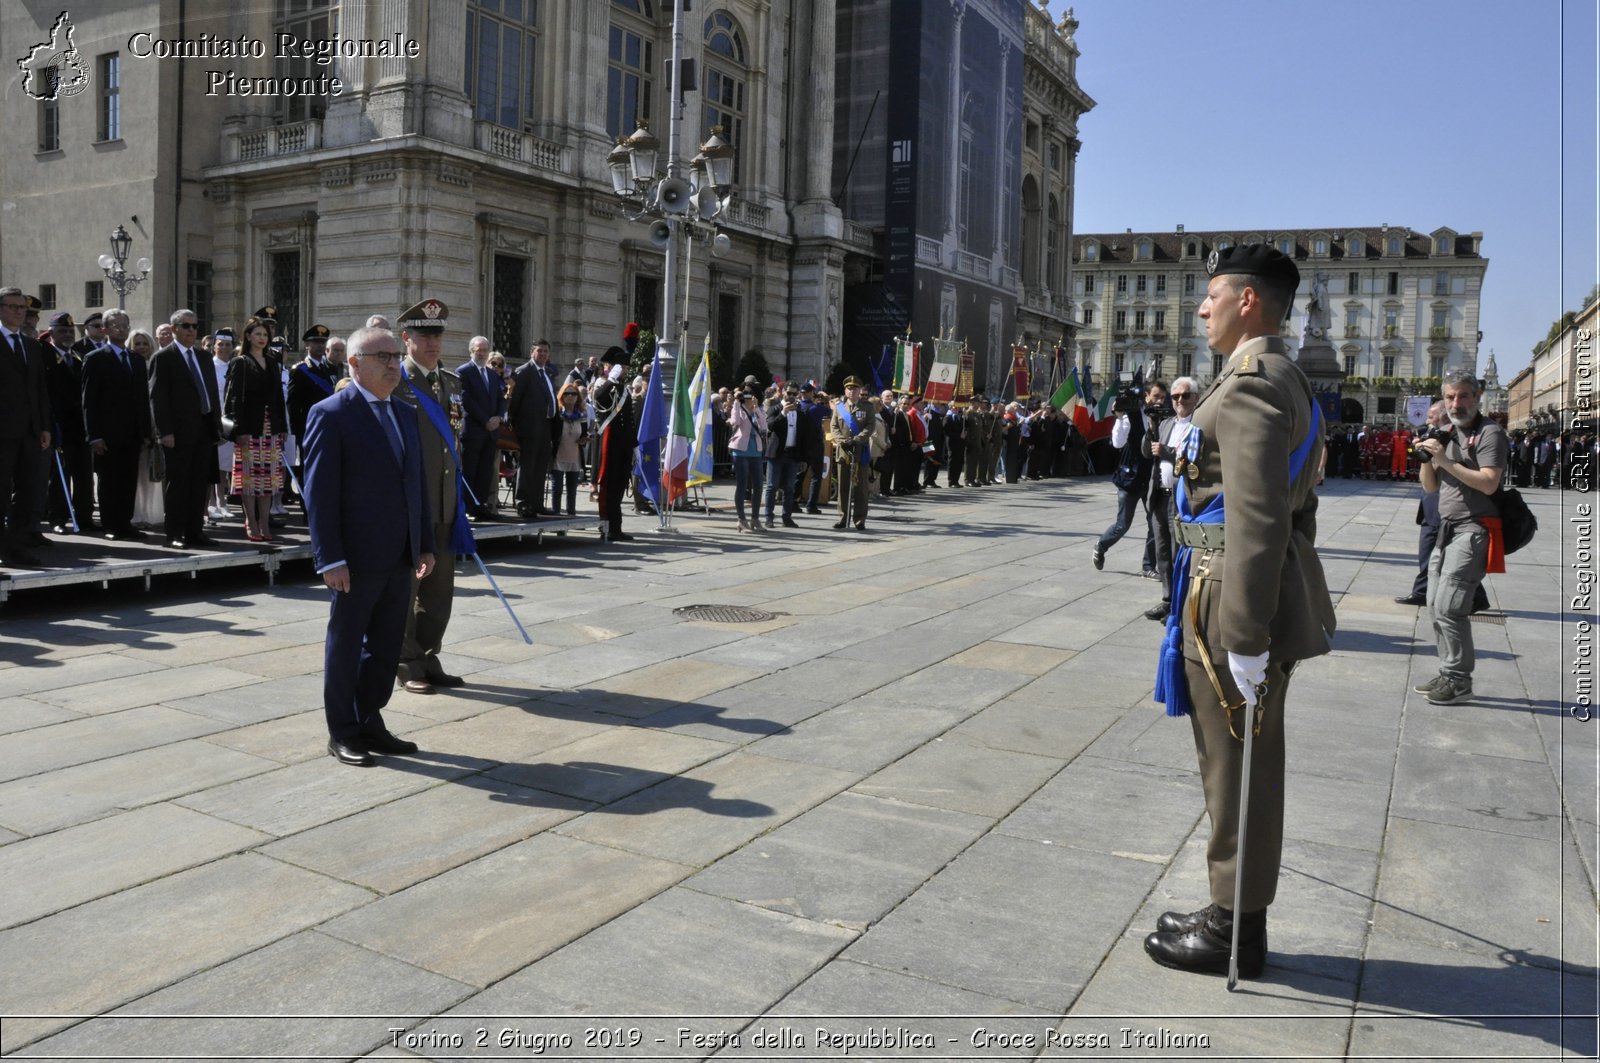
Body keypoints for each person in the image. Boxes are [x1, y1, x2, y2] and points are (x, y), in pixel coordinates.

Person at [1146, 243, 1335, 979]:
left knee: (1237, 767)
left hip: (1229, 595)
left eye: (1212, 293)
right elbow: (1298, 511)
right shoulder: (1271, 377)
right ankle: (1229, 908)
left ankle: (1235, 928)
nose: (1202, 305)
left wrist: (1247, 632)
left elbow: (1258, 518)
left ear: (1248, 300)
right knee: (1229, 763)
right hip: (1228, 581)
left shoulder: (1256, 383)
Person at [304, 326, 434, 767]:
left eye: (396, 356)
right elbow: (319, 494)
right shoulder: (331, 413)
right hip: (354, 559)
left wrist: (425, 544)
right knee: (345, 646)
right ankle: (342, 730)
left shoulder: (404, 411)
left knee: (383, 646)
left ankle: (370, 719)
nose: (394, 364)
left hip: (400, 555)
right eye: (382, 357)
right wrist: (330, 557)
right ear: (354, 363)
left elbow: (415, 484)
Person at [1413, 370, 1506, 705]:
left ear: (1477, 397)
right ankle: (1447, 670)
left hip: (1474, 529)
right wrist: (1426, 457)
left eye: (1463, 396)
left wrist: (1444, 460)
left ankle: (1458, 679)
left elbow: (1488, 483)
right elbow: (1430, 486)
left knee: (1451, 607)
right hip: (1447, 529)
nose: (1456, 403)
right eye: (1451, 397)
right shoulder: (1447, 431)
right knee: (1434, 604)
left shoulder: (1489, 433)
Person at [393, 298, 467, 695]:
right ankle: (405, 661)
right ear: (406, 338)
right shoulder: (397, 382)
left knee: (440, 589)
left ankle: (427, 653)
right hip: (411, 504)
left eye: (437, 336)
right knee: (407, 588)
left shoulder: (451, 383)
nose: (432, 343)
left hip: (445, 501)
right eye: (424, 336)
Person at [1396, 401, 1489, 613]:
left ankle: (1425, 592)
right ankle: (1475, 595)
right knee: (1433, 552)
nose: (1427, 420)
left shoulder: (1449, 440)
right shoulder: (1433, 438)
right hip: (1431, 505)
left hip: (1443, 506)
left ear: (1444, 418)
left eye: (1431, 417)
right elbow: (1426, 476)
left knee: (1434, 551)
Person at [149, 308, 223, 549]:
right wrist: (165, 432)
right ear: (174, 329)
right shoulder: (163, 357)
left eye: (194, 326)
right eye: (186, 326)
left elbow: (211, 393)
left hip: (203, 429)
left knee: (199, 482)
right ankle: (174, 534)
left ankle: (195, 531)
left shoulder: (202, 356)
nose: (191, 330)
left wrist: (217, 427)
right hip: (178, 432)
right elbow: (158, 398)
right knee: (178, 483)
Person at [222, 317, 287, 542]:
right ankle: (250, 520)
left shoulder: (272, 360)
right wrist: (238, 429)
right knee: (250, 478)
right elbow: (233, 399)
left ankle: (265, 522)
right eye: (258, 334)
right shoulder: (240, 362)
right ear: (248, 336)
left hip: (270, 426)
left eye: (265, 335)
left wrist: (283, 426)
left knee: (269, 479)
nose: (262, 338)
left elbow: (278, 397)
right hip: (249, 427)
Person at [0, 287, 52, 565]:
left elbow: (39, 389)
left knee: (28, 490)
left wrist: (44, 425)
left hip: (30, 432)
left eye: (22, 308)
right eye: (13, 306)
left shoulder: (31, 345)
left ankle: (16, 546)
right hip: (3, 432)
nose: (19, 312)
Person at [1092, 381, 1162, 571]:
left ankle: (1148, 567)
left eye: (1163, 397)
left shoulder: (1165, 416)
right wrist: (1120, 417)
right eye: (1156, 397)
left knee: (1154, 524)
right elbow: (1117, 443)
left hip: (1152, 478)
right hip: (1130, 478)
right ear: (1146, 396)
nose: (1159, 401)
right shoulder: (1132, 415)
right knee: (1122, 525)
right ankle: (1101, 545)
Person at [1144, 376, 1197, 620]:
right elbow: (1146, 452)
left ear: (1195, 398)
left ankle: (1180, 604)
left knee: (1180, 553)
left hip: (1182, 499)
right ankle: (1167, 600)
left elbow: (1195, 462)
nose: (1179, 401)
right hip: (1160, 495)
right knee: (1162, 553)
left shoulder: (1198, 426)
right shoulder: (1166, 424)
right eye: (1175, 397)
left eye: (1185, 396)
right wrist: (1151, 426)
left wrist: (1167, 452)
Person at [43, 311, 94, 536]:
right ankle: (58, 518)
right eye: (62, 330)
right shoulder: (46, 357)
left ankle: (84, 518)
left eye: (69, 330)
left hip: (79, 429)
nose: (66, 334)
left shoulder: (77, 358)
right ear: (51, 332)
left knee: (84, 476)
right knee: (59, 477)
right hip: (58, 427)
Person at [508, 338, 558, 518]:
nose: (543, 354)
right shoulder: (524, 372)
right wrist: (518, 426)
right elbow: (514, 402)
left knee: (540, 466)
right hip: (528, 427)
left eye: (545, 351)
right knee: (527, 466)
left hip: (545, 426)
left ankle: (536, 503)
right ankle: (522, 503)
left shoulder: (547, 373)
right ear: (532, 353)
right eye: (539, 351)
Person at [458, 335, 507, 519]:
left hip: (491, 431)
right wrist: (485, 419)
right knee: (470, 470)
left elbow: (500, 399)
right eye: (479, 350)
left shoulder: (492, 375)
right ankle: (468, 507)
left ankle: (481, 506)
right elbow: (466, 399)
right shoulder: (463, 371)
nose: (482, 353)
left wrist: (498, 417)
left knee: (486, 471)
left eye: (485, 350)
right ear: (472, 351)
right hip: (474, 430)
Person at [591, 362, 637, 541]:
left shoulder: (624, 389)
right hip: (610, 443)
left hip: (624, 444)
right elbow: (598, 398)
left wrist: (635, 444)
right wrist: (610, 380)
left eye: (625, 368)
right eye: (622, 368)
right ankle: (607, 527)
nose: (625, 371)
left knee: (619, 485)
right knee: (608, 486)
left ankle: (616, 528)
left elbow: (629, 420)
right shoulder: (604, 385)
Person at [829, 376, 875, 531]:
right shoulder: (839, 407)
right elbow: (834, 426)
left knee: (861, 487)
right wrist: (842, 441)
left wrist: (857, 439)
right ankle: (843, 517)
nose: (852, 391)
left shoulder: (867, 407)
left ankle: (860, 519)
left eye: (855, 388)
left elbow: (870, 426)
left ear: (859, 391)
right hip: (844, 452)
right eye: (849, 388)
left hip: (860, 450)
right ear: (845, 390)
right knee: (843, 486)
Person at [763, 382, 811, 527]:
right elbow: (770, 426)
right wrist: (783, 413)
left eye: (794, 394)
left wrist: (803, 458)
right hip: (776, 453)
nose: (791, 397)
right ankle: (769, 517)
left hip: (793, 454)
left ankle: (786, 516)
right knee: (772, 486)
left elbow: (803, 437)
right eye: (789, 393)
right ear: (783, 392)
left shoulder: (800, 412)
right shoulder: (775, 408)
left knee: (790, 487)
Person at [727, 386, 767, 532]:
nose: (749, 399)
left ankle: (755, 519)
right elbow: (735, 422)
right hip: (740, 450)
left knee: (758, 485)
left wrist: (756, 409)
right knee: (742, 484)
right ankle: (741, 519)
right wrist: (737, 403)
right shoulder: (738, 408)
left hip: (755, 451)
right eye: (747, 397)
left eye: (752, 396)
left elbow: (764, 427)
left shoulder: (758, 410)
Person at [208, 329, 236, 521]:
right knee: (212, 464)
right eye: (220, 344)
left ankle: (222, 501)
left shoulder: (234, 366)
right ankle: (211, 503)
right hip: (214, 419)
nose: (224, 348)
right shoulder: (209, 366)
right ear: (214, 346)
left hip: (230, 420)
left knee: (225, 465)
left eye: (227, 345)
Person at [550, 382, 588, 516]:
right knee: (557, 488)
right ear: (562, 396)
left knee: (572, 490)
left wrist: (584, 440)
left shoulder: (582, 416)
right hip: (559, 455)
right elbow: (551, 434)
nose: (570, 396)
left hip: (574, 457)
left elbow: (584, 435)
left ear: (578, 397)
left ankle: (571, 515)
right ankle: (555, 515)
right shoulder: (557, 414)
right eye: (567, 393)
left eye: (574, 394)